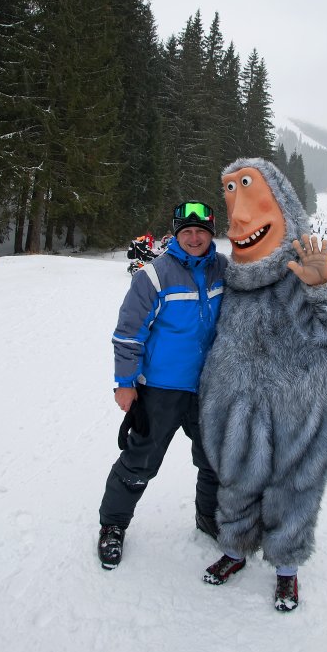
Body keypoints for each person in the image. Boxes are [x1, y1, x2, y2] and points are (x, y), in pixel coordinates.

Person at [199, 158, 327, 612]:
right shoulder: (231, 277)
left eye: (248, 191)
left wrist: (326, 285)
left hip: (302, 408)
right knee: (236, 481)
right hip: (241, 406)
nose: (238, 217)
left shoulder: (299, 266)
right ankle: (234, 551)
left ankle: (286, 570)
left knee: (295, 489)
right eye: (230, 194)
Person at [97, 202, 227, 570]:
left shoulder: (223, 270)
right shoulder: (153, 276)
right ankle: (113, 525)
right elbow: (127, 335)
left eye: (201, 231)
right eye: (187, 231)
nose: (194, 237)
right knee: (140, 461)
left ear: (210, 232)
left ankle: (209, 518)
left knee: (214, 460)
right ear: (176, 234)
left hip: (208, 388)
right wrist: (125, 383)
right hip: (161, 389)